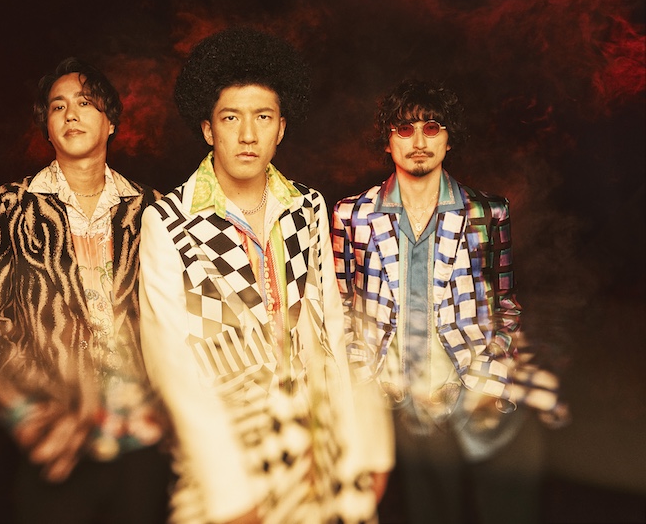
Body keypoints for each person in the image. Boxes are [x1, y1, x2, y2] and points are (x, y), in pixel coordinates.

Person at [138, 27, 393, 524]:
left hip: (319, 453)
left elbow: (333, 330)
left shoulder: (307, 206)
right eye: (231, 117)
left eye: (263, 117)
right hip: (227, 457)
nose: (248, 135)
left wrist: (361, 445)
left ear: (281, 128)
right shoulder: (168, 221)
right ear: (208, 129)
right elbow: (171, 367)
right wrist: (230, 492)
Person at [332, 79, 570, 524]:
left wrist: (492, 377)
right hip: (402, 407)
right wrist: (362, 381)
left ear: (448, 138)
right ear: (387, 140)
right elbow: (343, 306)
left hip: (475, 395)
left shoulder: (487, 212)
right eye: (405, 129)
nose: (419, 142)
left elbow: (505, 304)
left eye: (432, 127)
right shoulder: (353, 215)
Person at [0, 57, 172, 523]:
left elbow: (173, 319)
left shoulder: (152, 209)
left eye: (86, 103)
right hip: (56, 436)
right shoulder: (11, 206)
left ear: (111, 122)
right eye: (58, 106)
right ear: (47, 127)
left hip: (141, 436)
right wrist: (30, 415)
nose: (71, 114)